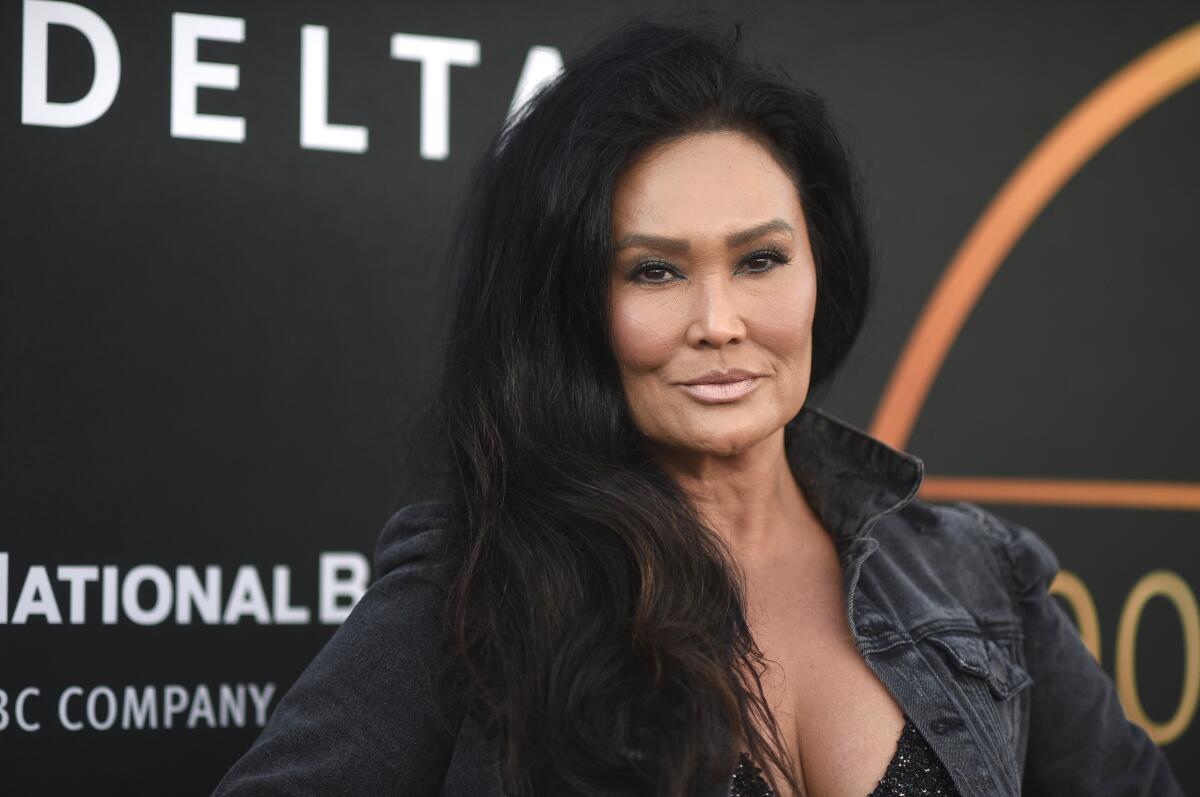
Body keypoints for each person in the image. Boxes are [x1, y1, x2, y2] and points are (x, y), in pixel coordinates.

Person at [212, 12, 1183, 797]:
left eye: (760, 259)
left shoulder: (977, 572)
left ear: (819, 269)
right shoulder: (476, 585)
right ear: (572, 300)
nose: (719, 321)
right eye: (655, 269)